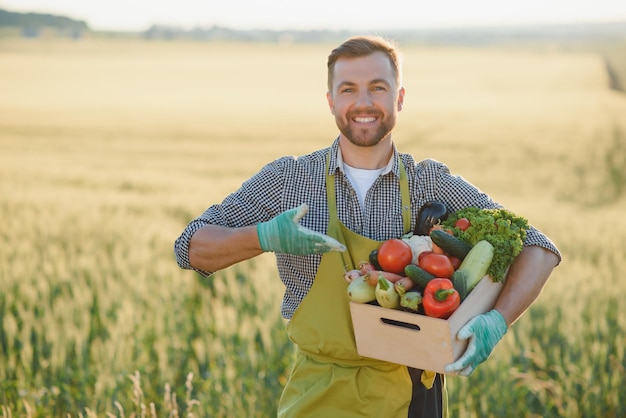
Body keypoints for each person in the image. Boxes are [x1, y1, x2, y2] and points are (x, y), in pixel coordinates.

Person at [174, 35, 561, 418]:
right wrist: (262, 236)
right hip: (318, 396)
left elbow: (538, 248)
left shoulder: (430, 183)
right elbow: (190, 246)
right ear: (331, 101)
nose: (363, 102)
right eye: (348, 89)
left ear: (400, 98)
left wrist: (497, 320)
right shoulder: (288, 180)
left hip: (412, 397)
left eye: (378, 88)